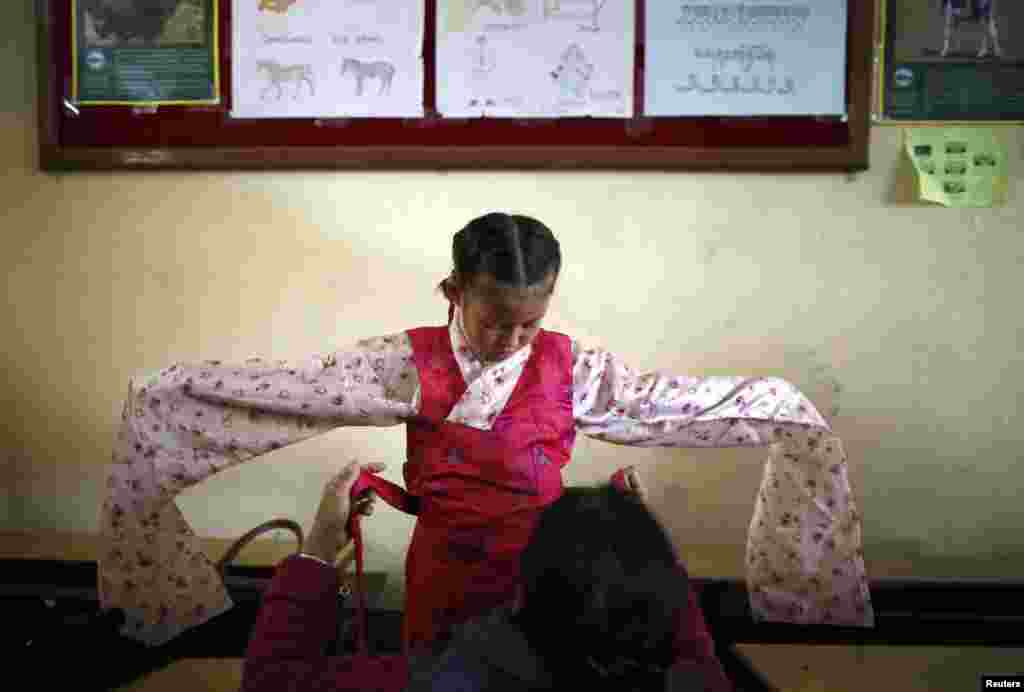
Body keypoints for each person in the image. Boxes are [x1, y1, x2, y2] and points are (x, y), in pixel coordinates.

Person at [99, 211, 872, 650]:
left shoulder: (575, 368)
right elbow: (288, 393)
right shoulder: (406, 363)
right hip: (442, 570)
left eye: (531, 322)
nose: (510, 339)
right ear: (453, 290)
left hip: (548, 575)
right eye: (494, 317)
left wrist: (779, 404)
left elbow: (666, 403)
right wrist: (170, 392)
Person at [241, 460, 734, 692]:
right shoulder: (694, 680)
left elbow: (272, 682)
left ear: (523, 587)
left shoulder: (451, 679)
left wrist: (320, 545)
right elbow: (690, 641)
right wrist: (631, 544)